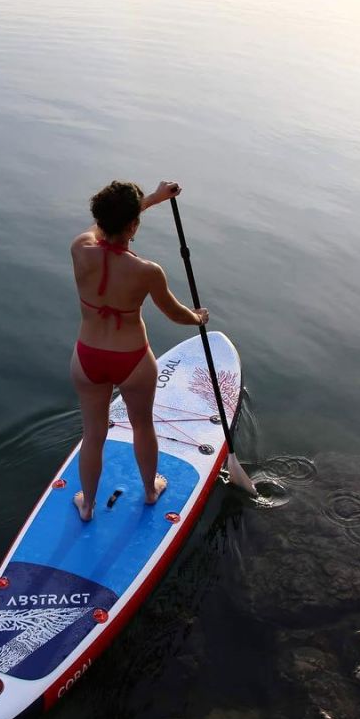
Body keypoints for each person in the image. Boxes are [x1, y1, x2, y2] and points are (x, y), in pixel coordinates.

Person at [70, 180, 209, 521]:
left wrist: (149, 200)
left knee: (94, 433)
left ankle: (87, 504)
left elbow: (103, 229)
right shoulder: (147, 271)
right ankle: (149, 489)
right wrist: (197, 318)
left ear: (101, 219)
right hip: (131, 359)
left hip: (87, 357)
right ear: (133, 225)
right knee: (142, 426)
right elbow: (176, 313)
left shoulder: (79, 249)